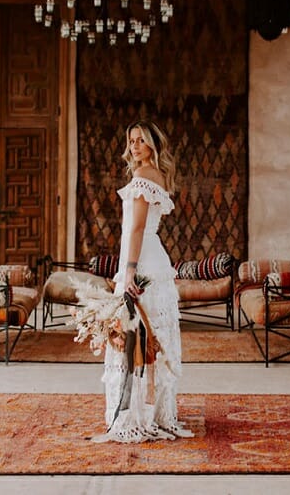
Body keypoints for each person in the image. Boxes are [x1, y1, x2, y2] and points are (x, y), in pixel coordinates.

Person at [97, 120, 194, 443]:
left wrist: (128, 271)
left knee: (135, 340)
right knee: (151, 341)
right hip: (154, 260)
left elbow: (136, 230)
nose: (135, 146)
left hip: (143, 263)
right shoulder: (158, 175)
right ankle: (152, 411)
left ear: (153, 144)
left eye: (141, 140)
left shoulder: (142, 177)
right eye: (132, 140)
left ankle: (135, 416)